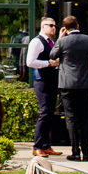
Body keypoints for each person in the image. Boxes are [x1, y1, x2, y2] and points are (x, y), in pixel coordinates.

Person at [52, 18, 88, 162]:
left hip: (67, 85)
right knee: (86, 118)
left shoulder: (62, 41)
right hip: (85, 83)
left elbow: (52, 56)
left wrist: (59, 39)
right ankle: (86, 153)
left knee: (71, 118)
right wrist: (86, 61)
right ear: (78, 26)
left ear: (65, 29)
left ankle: (75, 152)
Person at [25, 17, 60, 156]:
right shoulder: (36, 42)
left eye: (55, 25)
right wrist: (49, 63)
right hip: (41, 81)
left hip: (51, 80)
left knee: (50, 113)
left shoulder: (51, 42)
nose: (53, 28)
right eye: (50, 25)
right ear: (43, 26)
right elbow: (30, 62)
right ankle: (37, 146)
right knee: (45, 112)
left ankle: (46, 145)